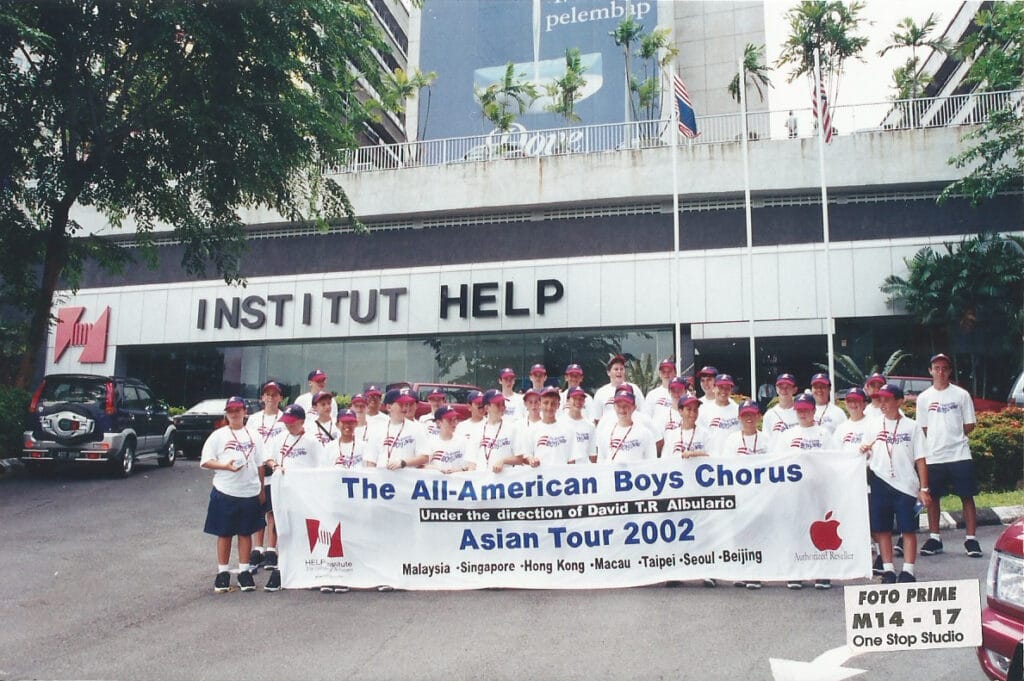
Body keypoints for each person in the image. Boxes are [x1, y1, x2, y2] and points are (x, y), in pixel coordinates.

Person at [861, 384, 930, 584]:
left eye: (887, 399)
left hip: (906, 485)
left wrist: (924, 489)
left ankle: (908, 570)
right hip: (880, 481)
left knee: (907, 529)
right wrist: (864, 450)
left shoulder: (912, 426)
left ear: (899, 401)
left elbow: (921, 459)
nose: (883, 403)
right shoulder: (873, 425)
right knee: (882, 529)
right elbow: (865, 453)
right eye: (880, 399)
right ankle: (888, 569)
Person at [915, 353, 981, 558]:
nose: (941, 372)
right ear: (930, 371)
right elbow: (923, 427)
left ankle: (971, 539)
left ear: (950, 371)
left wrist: (952, 437)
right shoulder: (923, 398)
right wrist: (937, 440)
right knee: (933, 498)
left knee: (967, 496)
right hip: (934, 456)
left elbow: (969, 424)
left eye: (944, 368)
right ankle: (935, 538)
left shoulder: (961, 395)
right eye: (937, 368)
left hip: (960, 454)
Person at [200, 396, 268, 594]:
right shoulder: (218, 436)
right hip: (225, 491)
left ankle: (244, 572)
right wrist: (225, 466)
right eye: (231, 410)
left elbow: (260, 464)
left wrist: (261, 489)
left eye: (238, 409)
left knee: (245, 533)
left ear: (245, 412)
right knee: (224, 533)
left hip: (249, 492)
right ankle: (222, 573)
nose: (235, 413)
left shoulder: (254, 435)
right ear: (226, 414)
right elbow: (206, 461)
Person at [250, 381, 285, 573]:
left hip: (275, 469)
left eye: (275, 394)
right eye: (268, 394)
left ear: (281, 398)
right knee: (258, 510)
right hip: (257, 470)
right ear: (262, 397)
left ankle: (271, 549)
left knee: (273, 511)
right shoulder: (254, 419)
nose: (271, 398)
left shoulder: (284, 419)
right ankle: (258, 548)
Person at [368, 387, 428, 470]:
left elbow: (424, 457)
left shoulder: (417, 428)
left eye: (406, 404)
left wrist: (403, 463)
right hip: (381, 476)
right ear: (389, 407)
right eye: (401, 404)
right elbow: (371, 461)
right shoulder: (377, 429)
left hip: (407, 477)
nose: (405, 408)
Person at [595, 389, 657, 463]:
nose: (622, 409)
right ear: (614, 407)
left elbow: (652, 462)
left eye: (626, 406)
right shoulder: (606, 432)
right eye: (619, 406)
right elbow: (601, 460)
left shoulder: (645, 433)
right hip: (611, 470)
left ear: (634, 407)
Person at [468, 389, 524, 472]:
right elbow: (472, 461)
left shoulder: (512, 428)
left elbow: (519, 459)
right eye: (498, 404)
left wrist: (503, 461)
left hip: (503, 478)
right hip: (482, 478)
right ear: (487, 407)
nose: (502, 407)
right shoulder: (477, 429)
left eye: (503, 404)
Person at [522, 387, 573, 466]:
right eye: (546, 403)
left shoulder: (567, 429)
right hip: (541, 473)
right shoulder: (532, 430)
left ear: (558, 405)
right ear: (540, 404)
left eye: (553, 403)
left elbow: (571, 459)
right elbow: (526, 455)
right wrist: (531, 460)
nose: (549, 407)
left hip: (562, 473)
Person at [591, 354, 645, 423]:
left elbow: (643, 412)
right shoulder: (601, 393)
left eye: (621, 369)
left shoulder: (634, 389)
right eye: (616, 369)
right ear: (608, 372)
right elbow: (597, 419)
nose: (619, 371)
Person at [697, 374, 740, 455]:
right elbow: (699, 437)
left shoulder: (738, 410)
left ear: (731, 390)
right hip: (713, 458)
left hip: (734, 458)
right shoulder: (704, 411)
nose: (724, 391)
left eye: (727, 388)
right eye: (720, 387)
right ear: (714, 388)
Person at [662, 395, 711, 460]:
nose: (692, 413)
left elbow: (713, 458)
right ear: (680, 411)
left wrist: (695, 454)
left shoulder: (705, 434)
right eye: (689, 409)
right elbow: (664, 460)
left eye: (695, 409)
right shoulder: (671, 435)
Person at [426, 406, 472, 473]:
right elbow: (423, 466)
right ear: (438, 423)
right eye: (450, 420)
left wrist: (460, 470)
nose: (454, 422)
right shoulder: (430, 442)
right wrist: (438, 470)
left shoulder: (464, 441)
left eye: (455, 419)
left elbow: (472, 465)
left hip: (458, 478)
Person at [761, 373, 799, 448]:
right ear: (776, 389)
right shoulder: (770, 414)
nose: (784, 390)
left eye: (788, 387)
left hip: (797, 453)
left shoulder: (802, 412)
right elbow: (766, 441)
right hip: (778, 454)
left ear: (795, 389)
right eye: (781, 387)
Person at [563, 386, 597, 464]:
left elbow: (592, 454)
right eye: (575, 398)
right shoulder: (560, 423)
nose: (578, 401)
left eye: (581, 399)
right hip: (564, 468)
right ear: (568, 400)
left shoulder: (590, 426)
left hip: (583, 469)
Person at [809, 373, 847, 437]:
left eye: (823, 387)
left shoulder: (838, 412)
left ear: (829, 389)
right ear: (811, 389)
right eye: (816, 387)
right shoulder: (804, 411)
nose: (819, 390)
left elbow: (845, 435)